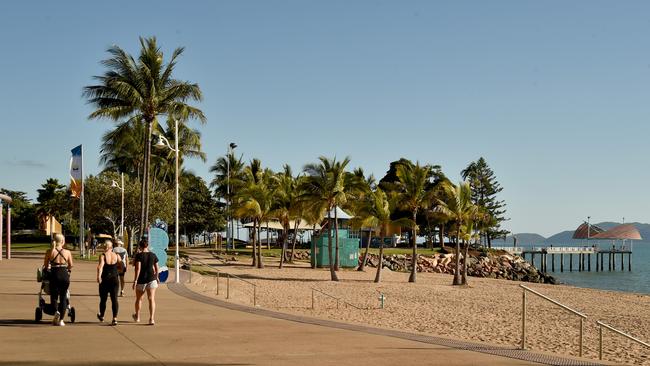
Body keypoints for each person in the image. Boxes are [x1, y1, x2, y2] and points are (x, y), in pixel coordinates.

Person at [42, 233, 73, 326]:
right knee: (63, 297)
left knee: (54, 296)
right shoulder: (67, 252)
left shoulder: (49, 251)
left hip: (54, 274)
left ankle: (56, 312)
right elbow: (71, 265)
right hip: (64, 274)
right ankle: (61, 320)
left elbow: (46, 266)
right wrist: (68, 270)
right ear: (62, 242)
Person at [132, 237, 159, 325]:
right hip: (151, 279)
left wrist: (135, 280)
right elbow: (157, 268)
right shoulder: (153, 255)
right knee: (151, 299)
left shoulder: (139, 255)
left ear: (140, 246)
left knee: (139, 299)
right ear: (147, 245)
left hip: (141, 280)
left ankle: (138, 317)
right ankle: (151, 319)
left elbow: (138, 269)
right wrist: (157, 277)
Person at [97, 240, 122, 326]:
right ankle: (115, 318)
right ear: (112, 248)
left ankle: (102, 315)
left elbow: (100, 267)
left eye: (104, 246)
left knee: (103, 299)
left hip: (105, 279)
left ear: (106, 247)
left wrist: (99, 277)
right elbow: (122, 265)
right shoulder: (117, 255)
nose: (104, 248)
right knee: (114, 299)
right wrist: (119, 271)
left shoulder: (103, 256)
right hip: (114, 279)